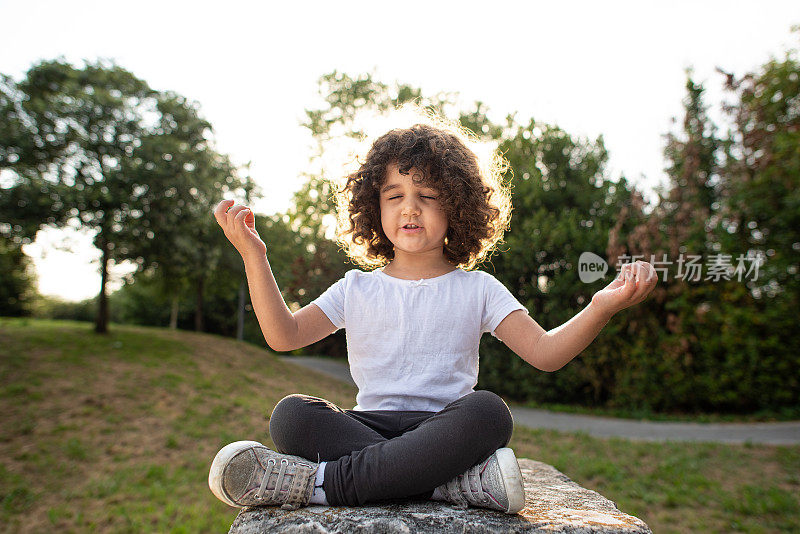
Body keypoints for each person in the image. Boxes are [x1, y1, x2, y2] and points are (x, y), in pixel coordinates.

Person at [208, 118, 657, 515]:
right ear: (373, 205)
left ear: (457, 206)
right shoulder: (356, 287)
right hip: (368, 425)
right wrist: (254, 255)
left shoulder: (477, 287)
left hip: (445, 430)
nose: (410, 208)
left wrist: (601, 307)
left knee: (489, 412)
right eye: (394, 195)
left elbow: (545, 353)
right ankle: (451, 485)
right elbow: (283, 335)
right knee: (292, 416)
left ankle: (323, 485)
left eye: (427, 195)